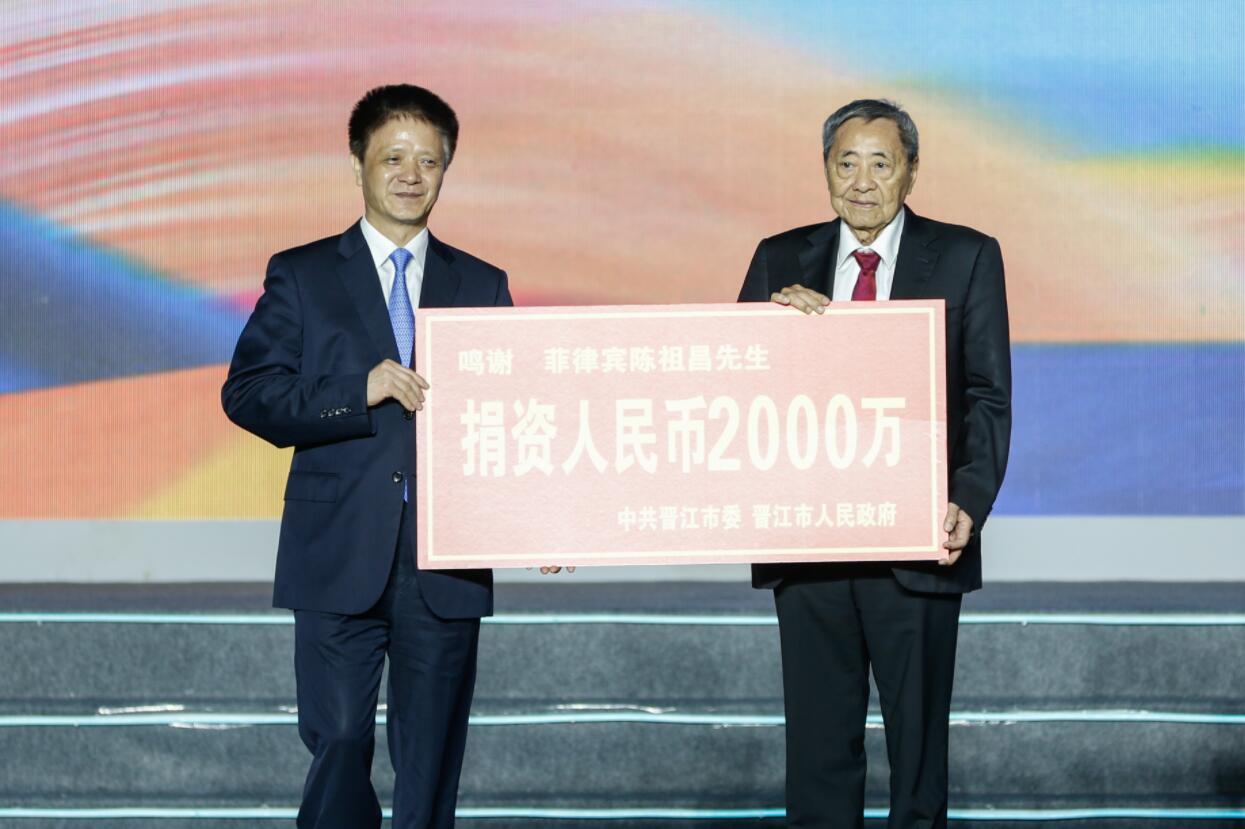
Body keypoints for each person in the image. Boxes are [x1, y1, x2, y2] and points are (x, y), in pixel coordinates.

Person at [222, 84, 517, 829]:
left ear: (446, 169)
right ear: (357, 164)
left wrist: (537, 519)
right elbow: (249, 393)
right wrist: (358, 390)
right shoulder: (303, 273)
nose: (411, 175)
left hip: (445, 562)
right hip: (337, 548)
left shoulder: (482, 283)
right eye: (393, 158)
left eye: (428, 161)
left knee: (430, 761)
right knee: (339, 738)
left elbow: (514, 414)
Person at [738, 99, 1012, 828]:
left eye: (880, 163)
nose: (862, 181)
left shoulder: (965, 255)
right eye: (846, 163)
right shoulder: (779, 258)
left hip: (918, 542)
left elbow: (987, 394)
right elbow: (738, 385)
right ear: (826, 169)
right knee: (818, 752)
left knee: (916, 756)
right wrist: (774, 334)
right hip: (810, 544)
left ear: (911, 171)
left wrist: (968, 500)